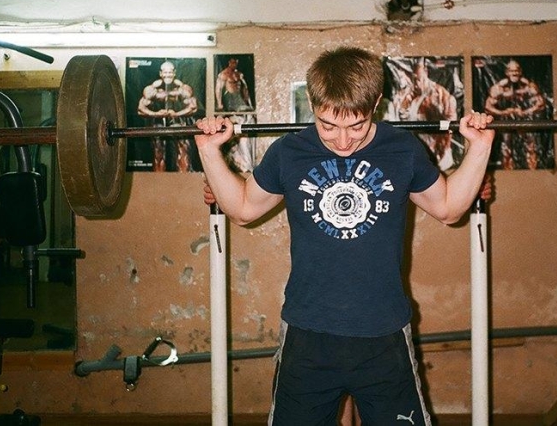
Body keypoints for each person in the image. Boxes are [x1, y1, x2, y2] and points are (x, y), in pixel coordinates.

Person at [194, 47, 494, 425]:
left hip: (383, 333)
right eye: (328, 126)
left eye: (356, 126)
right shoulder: (290, 152)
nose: (342, 141)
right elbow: (241, 209)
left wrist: (480, 147)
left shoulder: (401, 149)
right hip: (307, 333)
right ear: (312, 105)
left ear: (376, 105)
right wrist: (209, 152)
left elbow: (449, 209)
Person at [389, 58, 458, 170]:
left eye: (420, 80)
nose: (417, 84)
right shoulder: (402, 97)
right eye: (415, 80)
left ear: (426, 72)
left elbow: (451, 126)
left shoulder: (442, 95)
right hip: (411, 158)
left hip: (439, 156)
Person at [137, 61, 201, 172]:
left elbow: (193, 107)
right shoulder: (152, 90)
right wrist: (156, 114)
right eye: (165, 72)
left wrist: (177, 114)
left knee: (183, 149)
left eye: (170, 72)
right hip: (158, 122)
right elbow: (140, 110)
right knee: (158, 152)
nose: (168, 75)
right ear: (160, 73)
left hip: (178, 121)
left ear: (174, 73)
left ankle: (184, 178)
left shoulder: (182, 89)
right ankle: (158, 179)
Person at [484, 59, 547, 169]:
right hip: (507, 121)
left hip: (525, 120)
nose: (514, 73)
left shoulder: (528, 86)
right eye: (511, 70)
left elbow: (541, 104)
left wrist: (525, 112)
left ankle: (534, 172)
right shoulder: (499, 88)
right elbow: (488, 107)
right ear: (507, 72)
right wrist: (504, 112)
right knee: (506, 148)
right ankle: (509, 173)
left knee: (531, 147)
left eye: (516, 70)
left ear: (520, 71)